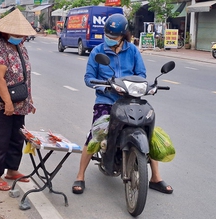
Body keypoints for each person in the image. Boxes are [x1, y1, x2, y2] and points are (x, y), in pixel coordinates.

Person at [72, 14, 173, 195]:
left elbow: (141, 74)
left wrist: (144, 87)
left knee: (148, 132)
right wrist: (105, 86)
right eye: (107, 36)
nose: (109, 39)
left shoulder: (132, 51)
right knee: (95, 134)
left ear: (123, 35)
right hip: (107, 100)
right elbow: (88, 79)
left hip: (131, 100)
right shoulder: (98, 52)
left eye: (113, 37)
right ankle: (80, 176)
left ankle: (155, 177)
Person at [0, 8, 37, 191]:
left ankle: (12, 170)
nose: (22, 36)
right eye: (18, 33)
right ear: (5, 32)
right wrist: (8, 103)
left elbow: (25, 76)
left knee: (16, 138)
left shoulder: (20, 46)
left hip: (19, 102)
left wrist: (29, 100)